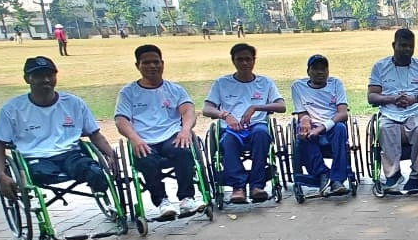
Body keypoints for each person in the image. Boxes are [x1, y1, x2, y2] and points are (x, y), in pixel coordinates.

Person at [0, 57, 115, 201]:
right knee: (40, 175)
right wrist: (1, 174)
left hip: (71, 154)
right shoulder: (12, 109)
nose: (46, 80)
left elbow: (95, 134)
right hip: (35, 157)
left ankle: (112, 206)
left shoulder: (74, 103)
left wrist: (111, 154)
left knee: (96, 173)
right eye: (38, 76)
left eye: (50, 75)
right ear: (27, 79)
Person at [114, 44, 205, 219]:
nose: (152, 66)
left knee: (183, 151)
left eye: (156, 62)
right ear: (137, 66)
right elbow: (121, 120)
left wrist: (185, 130)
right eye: (146, 63)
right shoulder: (128, 92)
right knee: (146, 159)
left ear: (162, 63)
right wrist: (134, 138)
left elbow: (188, 110)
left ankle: (186, 198)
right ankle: (162, 201)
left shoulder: (175, 89)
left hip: (170, 135)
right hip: (143, 138)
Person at [201, 43, 285, 203]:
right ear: (233, 61)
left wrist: (256, 107)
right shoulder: (222, 83)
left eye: (248, 59)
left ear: (254, 60)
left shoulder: (265, 82)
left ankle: (256, 186)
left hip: (256, 125)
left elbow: (281, 106)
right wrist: (225, 115)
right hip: (231, 128)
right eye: (240, 59)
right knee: (228, 141)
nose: (244, 63)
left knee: (262, 134)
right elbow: (206, 108)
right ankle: (237, 187)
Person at [367, 28, 418, 193]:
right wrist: (392, 98)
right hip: (389, 113)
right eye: (403, 46)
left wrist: (415, 98)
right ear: (394, 45)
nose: (407, 50)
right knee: (385, 128)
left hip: (414, 111)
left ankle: (416, 175)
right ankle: (393, 175)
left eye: (410, 46)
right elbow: (372, 96)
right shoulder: (380, 67)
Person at [290, 54, 352, 196]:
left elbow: (343, 114)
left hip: (331, 125)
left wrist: (321, 128)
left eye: (323, 69)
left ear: (328, 71)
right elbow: (301, 113)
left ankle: (337, 180)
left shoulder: (336, 83)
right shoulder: (298, 86)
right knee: (302, 134)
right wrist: (305, 120)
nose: (320, 72)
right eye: (315, 69)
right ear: (308, 71)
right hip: (312, 125)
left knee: (341, 128)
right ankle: (323, 173)